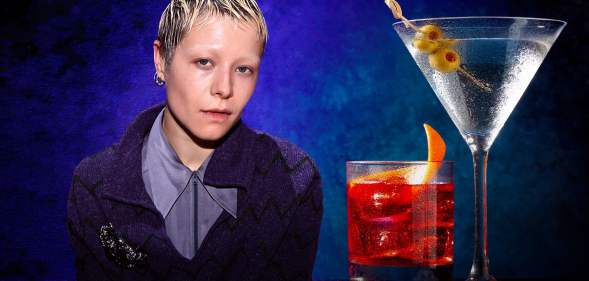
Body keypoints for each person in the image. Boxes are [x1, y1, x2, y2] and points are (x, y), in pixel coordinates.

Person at [65, 0, 323, 280]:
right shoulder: (94, 183)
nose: (224, 88)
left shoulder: (293, 177)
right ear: (161, 60)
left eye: (243, 69)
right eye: (204, 62)